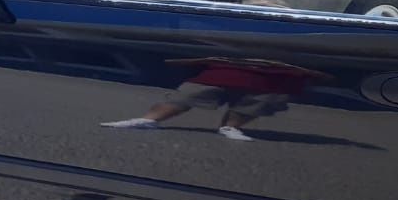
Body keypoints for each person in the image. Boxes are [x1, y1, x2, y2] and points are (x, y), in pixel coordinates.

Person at [102, 55, 330, 142]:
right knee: (191, 92)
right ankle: (148, 120)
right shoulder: (234, 25)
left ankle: (230, 127)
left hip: (272, 73)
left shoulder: (288, 31)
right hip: (226, 66)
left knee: (257, 100)